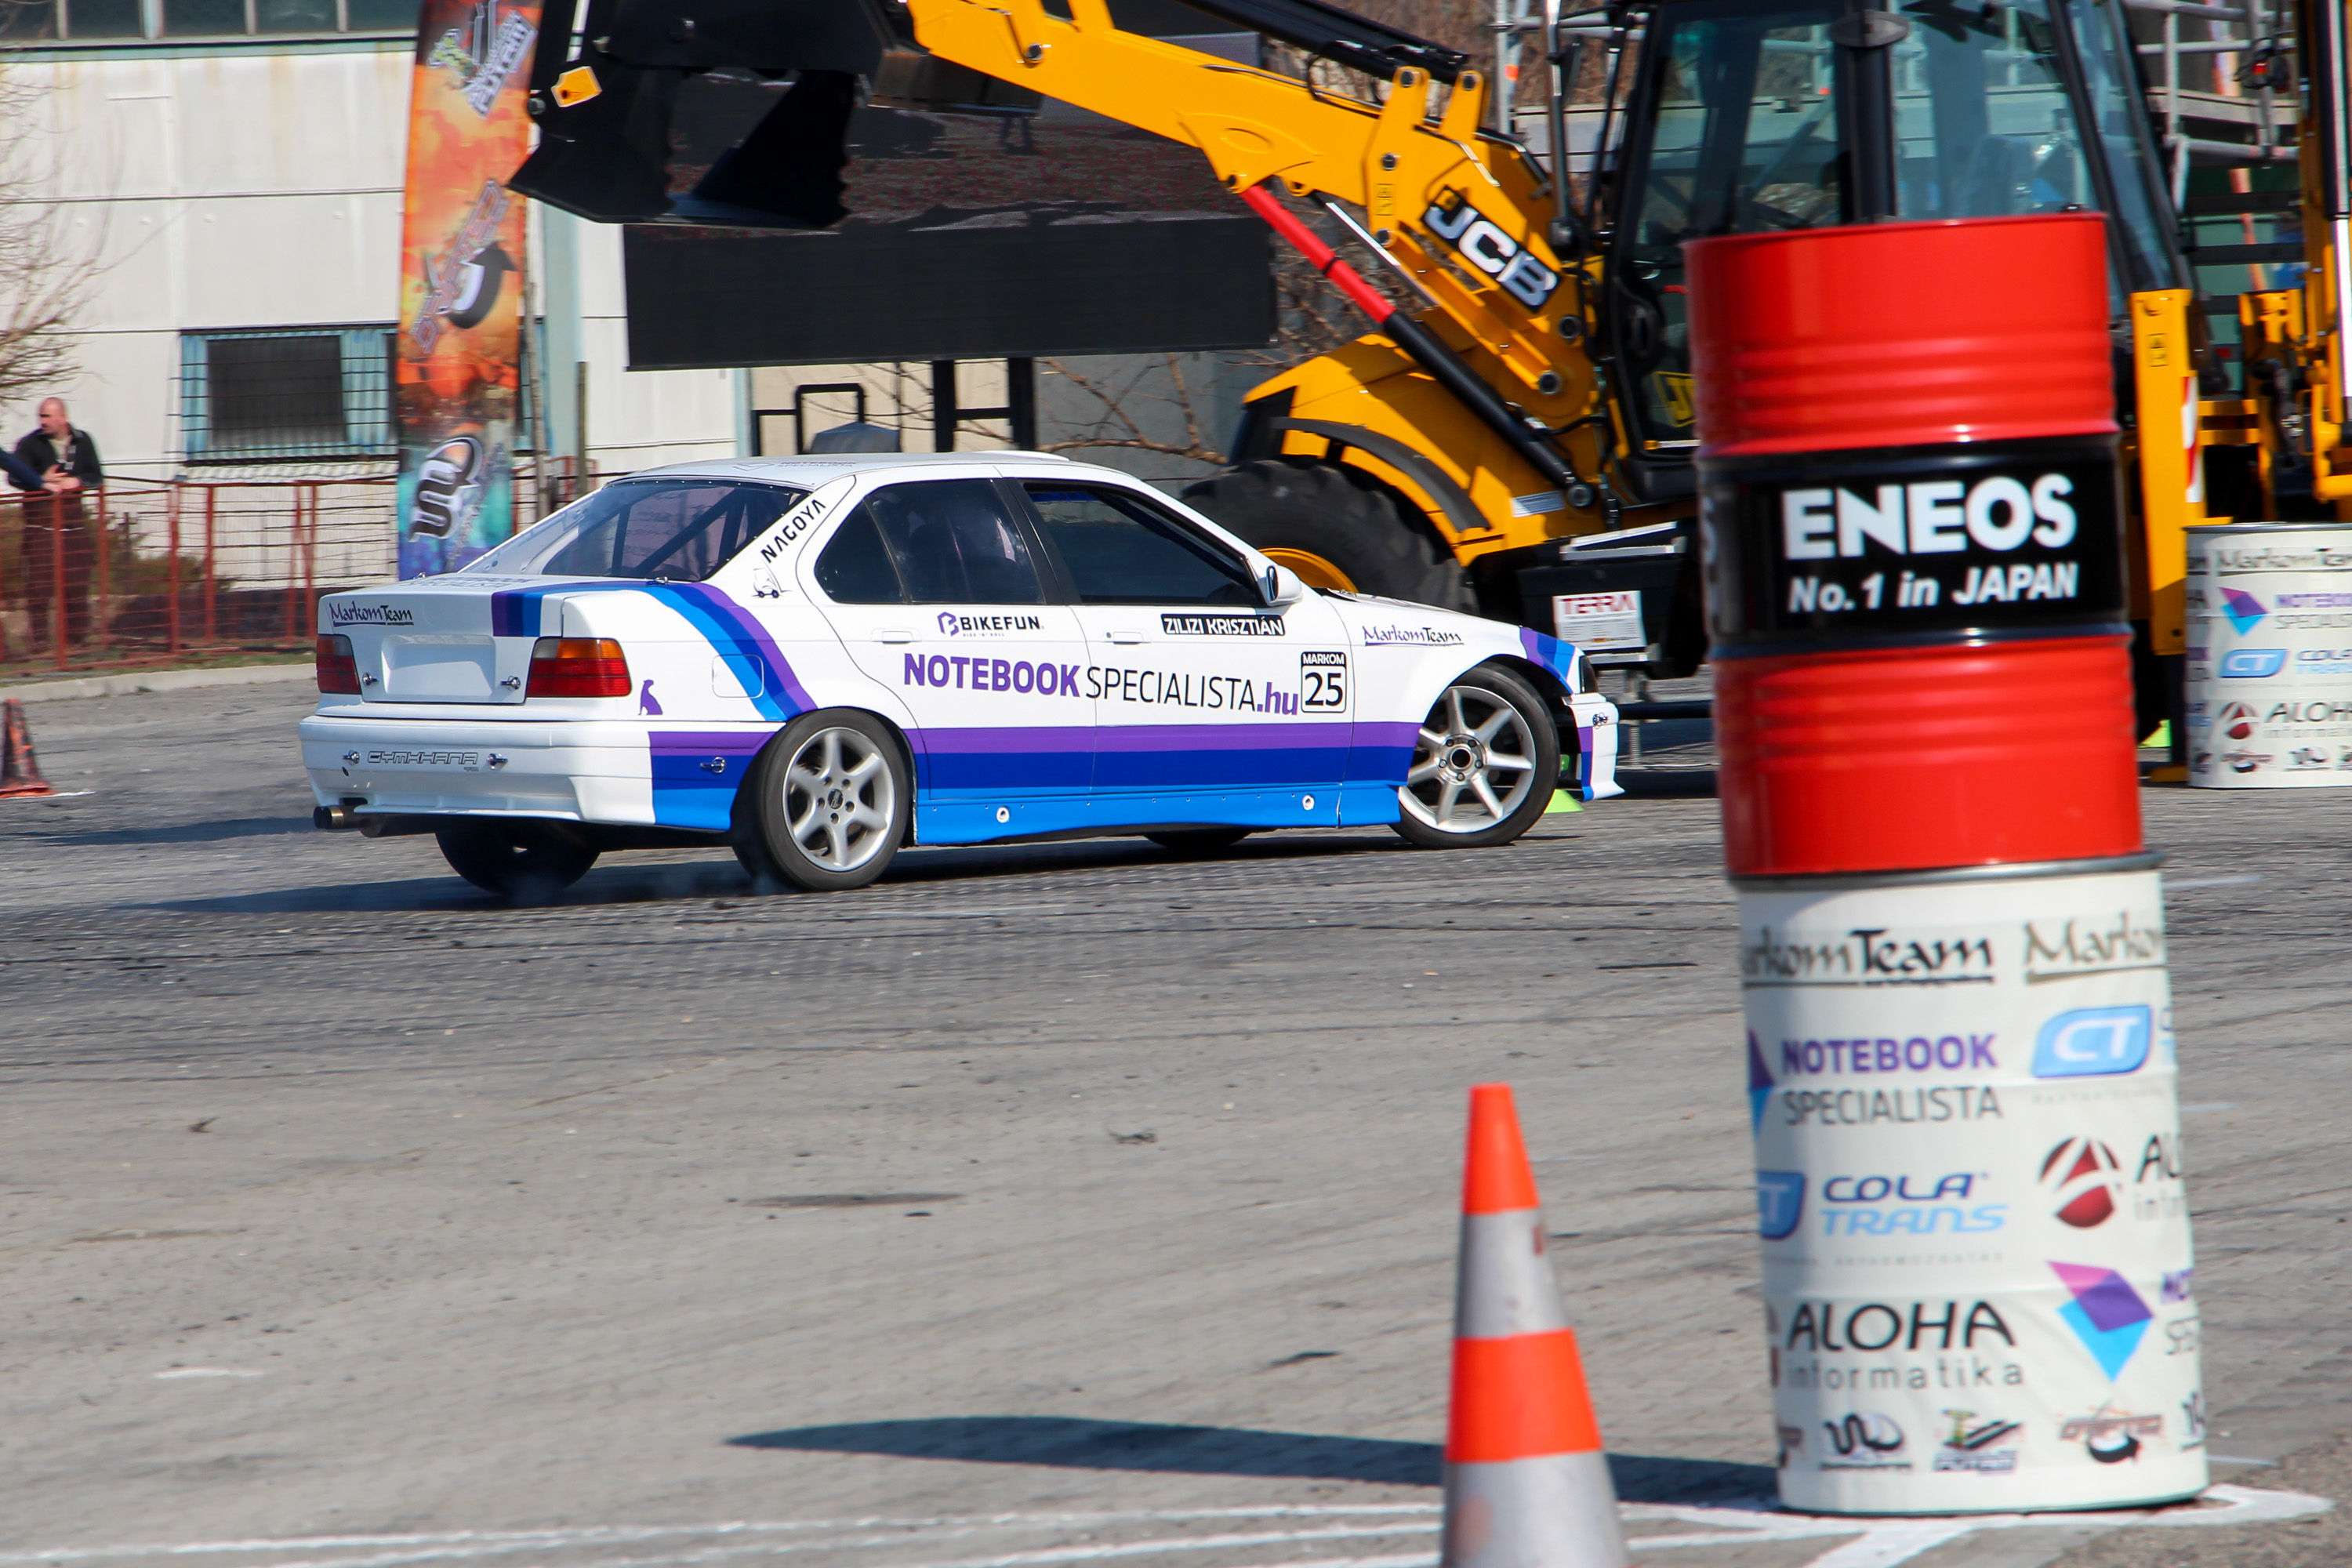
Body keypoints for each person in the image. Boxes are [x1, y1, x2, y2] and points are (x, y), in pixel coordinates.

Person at [16, 397, 100, 651]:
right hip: (41, 528)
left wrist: (78, 482)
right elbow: (14, 478)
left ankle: (77, 642)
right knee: (39, 588)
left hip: (74, 526)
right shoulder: (30, 443)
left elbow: (97, 476)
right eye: (40, 416)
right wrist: (41, 480)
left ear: (62, 418)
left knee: (77, 586)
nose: (42, 421)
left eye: (47, 416)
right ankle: (41, 642)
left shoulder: (83, 441)